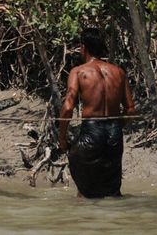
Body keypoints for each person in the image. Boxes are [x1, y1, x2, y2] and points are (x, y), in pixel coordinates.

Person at [58, 27, 136, 198]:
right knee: (112, 191)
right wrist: (116, 126)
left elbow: (68, 107)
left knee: (85, 191)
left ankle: (87, 220)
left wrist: (62, 139)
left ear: (83, 47)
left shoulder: (78, 72)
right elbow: (130, 110)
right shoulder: (119, 72)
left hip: (92, 132)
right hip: (114, 134)